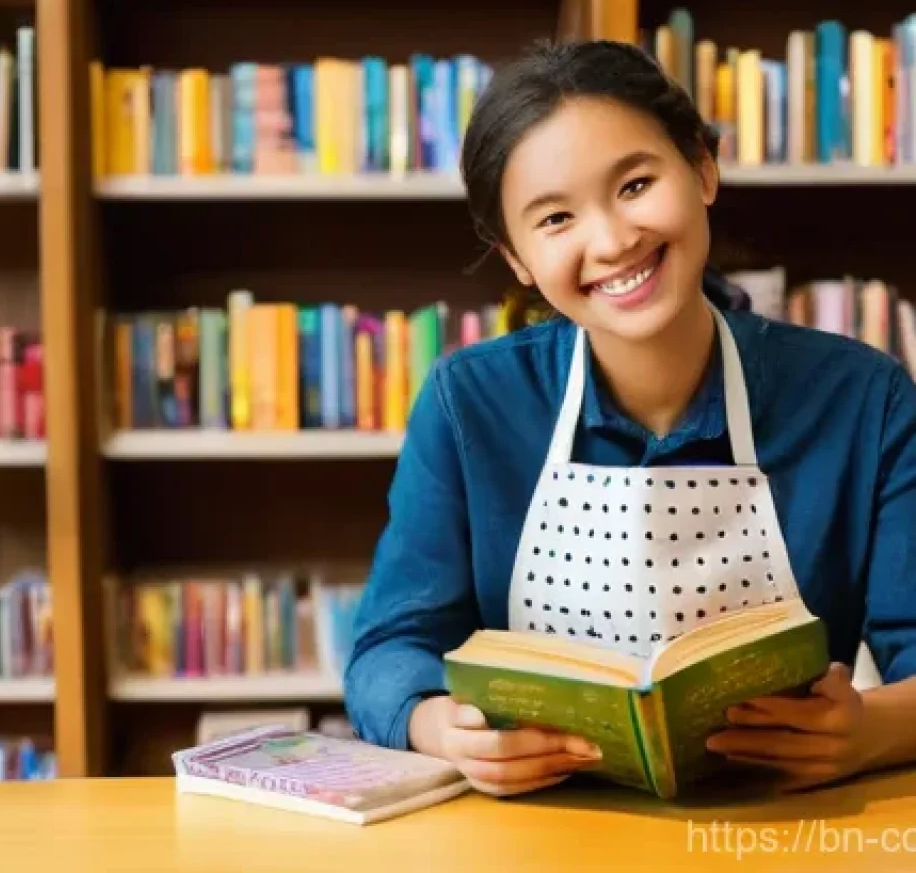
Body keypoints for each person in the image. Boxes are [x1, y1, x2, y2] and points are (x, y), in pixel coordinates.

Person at [343, 39, 916, 798]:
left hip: (776, 832)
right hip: (538, 836)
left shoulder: (863, 399)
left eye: (637, 184)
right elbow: (388, 650)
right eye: (554, 220)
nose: (613, 242)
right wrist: (439, 726)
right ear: (514, 257)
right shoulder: (469, 402)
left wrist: (871, 732)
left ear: (703, 169)